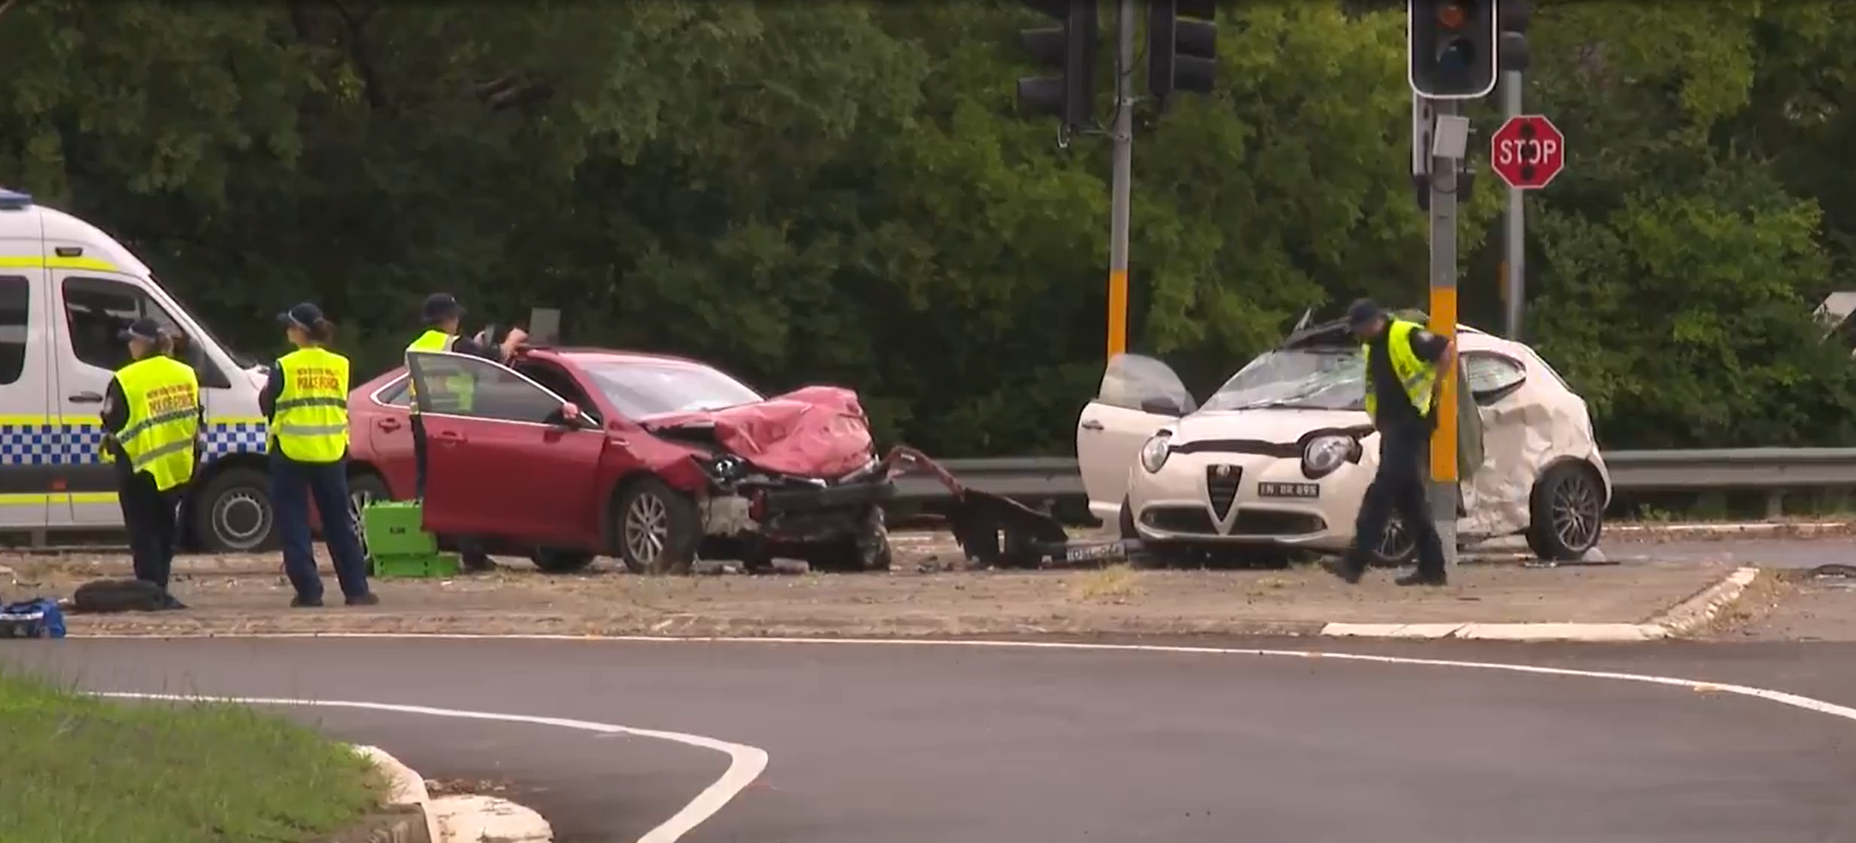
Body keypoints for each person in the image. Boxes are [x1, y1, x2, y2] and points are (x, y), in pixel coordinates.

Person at [1327, 298, 1453, 587]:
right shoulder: (1372, 347)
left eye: (1359, 328)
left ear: (1373, 321)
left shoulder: (1404, 333)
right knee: (1410, 502)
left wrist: (1437, 386)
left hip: (1411, 424)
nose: (1358, 335)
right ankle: (1433, 568)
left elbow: (1445, 349)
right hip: (1392, 427)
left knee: (1381, 492)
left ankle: (1354, 562)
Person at [263, 303, 377, 607]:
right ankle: (356, 590)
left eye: (289, 325)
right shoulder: (340, 364)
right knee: (339, 522)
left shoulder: (284, 365)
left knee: (294, 522)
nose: (287, 330)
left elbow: (268, 404)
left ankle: (309, 591)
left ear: (300, 330)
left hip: (291, 452)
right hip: (330, 451)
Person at [406, 293, 525, 572]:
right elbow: (493, 360)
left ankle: (423, 549)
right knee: (463, 489)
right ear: (448, 319)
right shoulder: (455, 344)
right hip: (454, 422)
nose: (458, 321)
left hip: (422, 422)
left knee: (428, 487)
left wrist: (476, 345)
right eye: (455, 316)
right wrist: (512, 341)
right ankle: (472, 555)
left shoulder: (415, 347)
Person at [100, 319, 201, 610]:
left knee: (143, 534)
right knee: (166, 532)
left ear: (143, 344)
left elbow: (112, 419)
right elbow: (195, 417)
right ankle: (161, 588)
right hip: (175, 466)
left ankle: (149, 592)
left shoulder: (126, 377)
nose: (129, 346)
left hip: (138, 466)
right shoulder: (186, 373)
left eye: (132, 341)